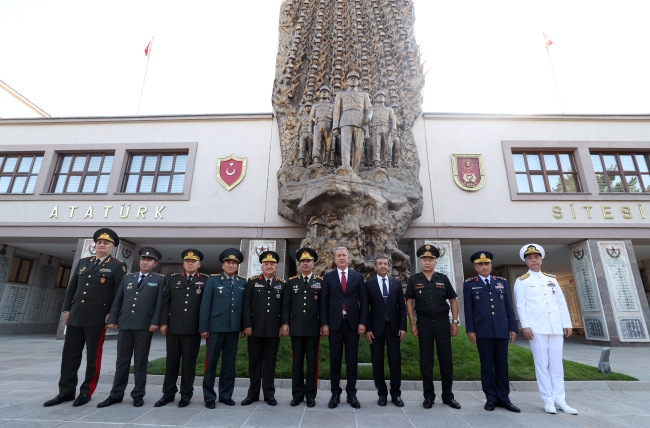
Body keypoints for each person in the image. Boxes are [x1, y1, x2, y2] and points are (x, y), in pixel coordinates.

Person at [44, 228, 127, 408]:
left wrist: (112, 315)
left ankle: (86, 391)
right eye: (99, 242)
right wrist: (67, 309)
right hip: (76, 315)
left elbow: (118, 294)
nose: (102, 245)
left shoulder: (117, 266)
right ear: (95, 245)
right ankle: (65, 391)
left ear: (112, 247)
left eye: (106, 243)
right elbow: (72, 287)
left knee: (93, 357)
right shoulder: (83, 262)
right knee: (70, 356)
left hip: (97, 318)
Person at [98, 246, 166, 408]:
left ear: (154, 264)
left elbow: (160, 303)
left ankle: (138, 394)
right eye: (143, 259)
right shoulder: (128, 278)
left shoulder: (159, 279)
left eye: (149, 260)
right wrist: (113, 319)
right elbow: (118, 300)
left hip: (144, 325)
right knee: (122, 361)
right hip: (126, 323)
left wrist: (155, 322)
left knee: (140, 362)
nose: (145, 262)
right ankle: (116, 394)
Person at [514, 244, 578, 415]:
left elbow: (560, 303)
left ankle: (560, 399)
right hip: (536, 328)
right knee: (542, 365)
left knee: (557, 364)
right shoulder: (522, 281)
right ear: (526, 262)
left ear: (541, 259)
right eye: (529, 258)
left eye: (536, 257)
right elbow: (521, 306)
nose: (533, 260)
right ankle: (548, 400)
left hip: (555, 326)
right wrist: (525, 326)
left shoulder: (552, 279)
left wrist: (567, 324)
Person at [405, 245, 461, 409]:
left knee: (446, 360)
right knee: (426, 361)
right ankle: (428, 396)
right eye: (424, 260)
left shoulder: (443, 279)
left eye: (430, 260)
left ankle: (448, 396)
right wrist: (412, 324)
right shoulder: (414, 280)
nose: (427, 262)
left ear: (435, 262)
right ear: (420, 262)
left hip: (443, 322)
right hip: (424, 323)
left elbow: (453, 300)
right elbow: (409, 301)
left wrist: (455, 322)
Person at [463, 252, 519, 412]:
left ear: (491, 266)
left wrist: (512, 327)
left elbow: (509, 306)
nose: (484, 267)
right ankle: (491, 398)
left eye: (486, 264)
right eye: (480, 265)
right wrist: (470, 330)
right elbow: (468, 309)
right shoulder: (470, 284)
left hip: (502, 329)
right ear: (475, 267)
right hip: (483, 330)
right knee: (487, 366)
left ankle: (504, 397)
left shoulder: (501, 282)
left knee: (502, 365)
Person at [156, 249, 208, 408]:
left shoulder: (206, 280)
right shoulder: (173, 279)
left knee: (188, 364)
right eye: (187, 261)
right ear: (183, 263)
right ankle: (168, 394)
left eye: (193, 261)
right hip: (173, 327)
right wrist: (163, 323)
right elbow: (165, 303)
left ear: (199, 264)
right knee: (171, 362)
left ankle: (186, 394)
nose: (190, 263)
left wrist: (203, 327)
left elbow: (206, 307)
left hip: (193, 330)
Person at [241, 251, 290, 406]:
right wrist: (247, 325)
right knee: (254, 362)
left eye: (272, 264)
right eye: (266, 264)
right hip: (254, 329)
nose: (269, 267)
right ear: (262, 266)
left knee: (270, 362)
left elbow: (284, 307)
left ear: (276, 267)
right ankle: (253, 394)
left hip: (273, 330)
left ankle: (269, 394)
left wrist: (284, 325)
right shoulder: (252, 282)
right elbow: (246, 306)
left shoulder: (282, 284)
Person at [321, 246, 367, 409]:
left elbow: (364, 300)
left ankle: (351, 394)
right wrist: (324, 323)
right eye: (338, 255)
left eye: (344, 255)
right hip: (334, 324)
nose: (341, 258)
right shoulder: (329, 277)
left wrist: (362, 322)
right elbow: (324, 301)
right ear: (334, 259)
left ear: (349, 258)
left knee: (351, 360)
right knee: (335, 360)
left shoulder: (357, 277)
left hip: (352, 324)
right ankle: (335, 394)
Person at [199, 248, 246, 409]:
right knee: (211, 363)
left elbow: (243, 307)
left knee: (229, 364)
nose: (231, 265)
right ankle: (209, 396)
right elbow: (205, 306)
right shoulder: (212, 281)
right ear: (223, 264)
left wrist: (243, 327)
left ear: (238, 266)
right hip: (215, 328)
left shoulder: (242, 282)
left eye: (234, 263)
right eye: (228, 262)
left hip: (233, 329)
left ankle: (226, 395)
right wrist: (204, 328)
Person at [363, 255, 406, 407]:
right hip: (375, 329)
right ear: (374, 267)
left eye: (385, 264)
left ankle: (396, 394)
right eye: (380, 264)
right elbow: (365, 308)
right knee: (377, 361)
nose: (382, 266)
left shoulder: (396, 283)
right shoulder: (368, 285)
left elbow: (402, 307)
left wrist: (402, 327)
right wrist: (367, 329)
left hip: (393, 328)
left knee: (395, 361)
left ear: (389, 267)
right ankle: (382, 393)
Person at [288, 248, 323, 407]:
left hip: (313, 328)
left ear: (313, 264)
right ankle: (297, 394)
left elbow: (323, 305)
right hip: (295, 328)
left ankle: (310, 395)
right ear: (299, 264)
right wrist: (285, 324)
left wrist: (324, 324)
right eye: (303, 261)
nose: (305, 264)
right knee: (297, 363)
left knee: (312, 362)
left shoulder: (320, 282)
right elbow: (286, 305)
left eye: (308, 261)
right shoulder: (292, 282)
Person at [332, 69, 373, 173]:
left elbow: (369, 110)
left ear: (358, 81)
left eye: (355, 79)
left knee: (358, 147)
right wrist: (335, 127)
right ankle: (345, 168)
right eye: (351, 78)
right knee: (345, 145)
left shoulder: (364, 95)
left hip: (360, 121)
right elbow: (336, 112)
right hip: (345, 120)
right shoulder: (340, 94)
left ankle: (355, 171)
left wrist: (368, 117)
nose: (353, 80)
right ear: (347, 81)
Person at [370, 91, 396, 168]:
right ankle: (376, 161)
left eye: (382, 96)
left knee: (386, 146)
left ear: (385, 98)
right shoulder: (371, 108)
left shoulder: (389, 109)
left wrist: (393, 129)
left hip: (386, 129)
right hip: (376, 128)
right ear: (375, 98)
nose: (381, 97)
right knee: (376, 145)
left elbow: (393, 119)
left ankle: (384, 162)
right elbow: (368, 119)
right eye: (379, 96)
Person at [310, 86, 334, 166]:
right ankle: (316, 160)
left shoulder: (332, 105)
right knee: (317, 142)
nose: (324, 93)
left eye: (326, 91)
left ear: (329, 94)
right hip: (318, 124)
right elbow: (311, 118)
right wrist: (310, 130)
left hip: (329, 125)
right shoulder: (315, 105)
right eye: (322, 91)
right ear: (320, 94)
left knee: (328, 144)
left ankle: (326, 162)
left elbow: (335, 117)